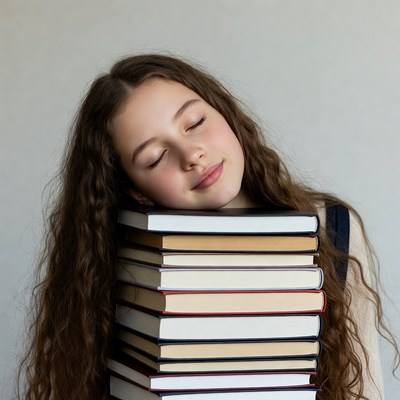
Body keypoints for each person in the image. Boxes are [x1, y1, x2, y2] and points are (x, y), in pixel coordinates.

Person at [18, 54, 399, 400]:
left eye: (195, 122)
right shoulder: (122, 259)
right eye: (155, 157)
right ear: (138, 193)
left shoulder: (332, 226)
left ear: (225, 113)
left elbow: (364, 390)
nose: (192, 155)